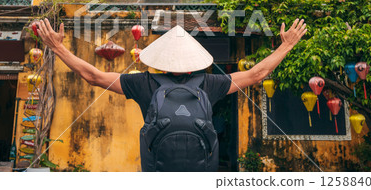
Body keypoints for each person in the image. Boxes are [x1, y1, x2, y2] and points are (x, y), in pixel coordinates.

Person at [35, 18, 307, 171]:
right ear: (194, 60)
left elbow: (93, 76)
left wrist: (58, 49)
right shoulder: (209, 84)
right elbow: (257, 74)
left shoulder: (144, 83)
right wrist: (287, 45)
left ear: (160, 59)